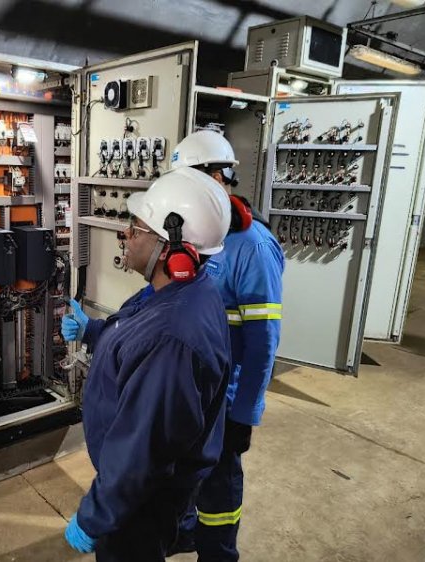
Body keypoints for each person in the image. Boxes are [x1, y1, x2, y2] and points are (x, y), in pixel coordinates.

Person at [61, 167, 233, 561]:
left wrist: (96, 515)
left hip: (140, 500)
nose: (125, 235)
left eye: (136, 228)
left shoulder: (173, 338)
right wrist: (92, 331)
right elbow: (135, 334)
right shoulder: (177, 292)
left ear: (172, 249)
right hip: (138, 489)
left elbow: (144, 449)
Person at [169, 130, 285, 561]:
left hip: (226, 399)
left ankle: (218, 551)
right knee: (186, 470)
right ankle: (186, 532)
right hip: (192, 390)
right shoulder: (195, 236)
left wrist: (245, 413)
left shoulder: (252, 247)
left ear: (219, 178)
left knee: (219, 483)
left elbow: (263, 342)